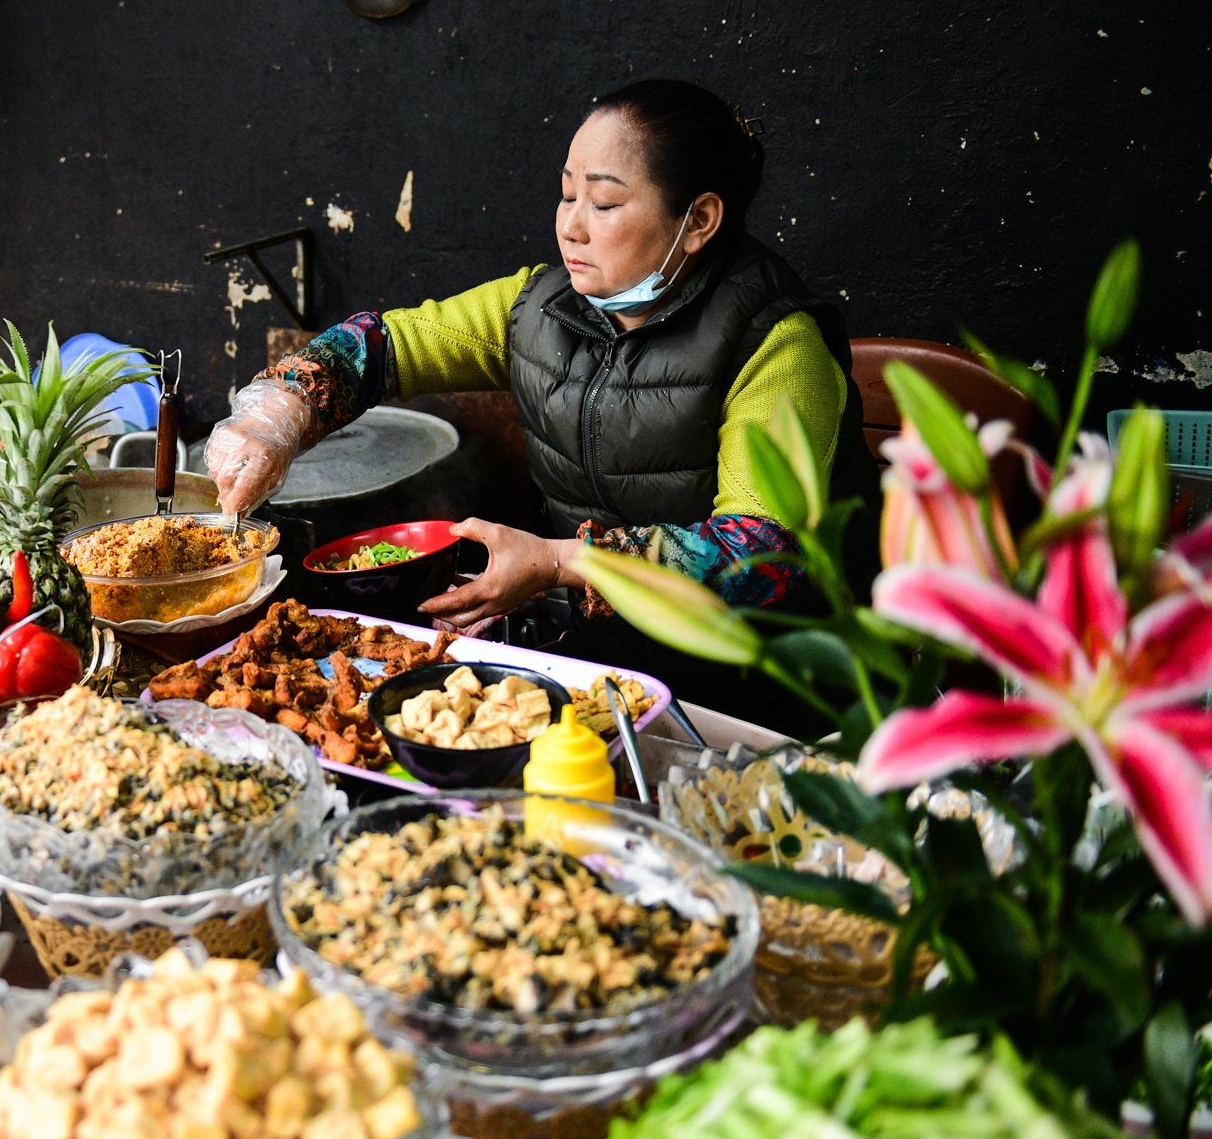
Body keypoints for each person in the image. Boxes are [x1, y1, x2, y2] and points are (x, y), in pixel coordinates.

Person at [207, 80, 881, 727]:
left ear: (699, 220)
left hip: (776, 692)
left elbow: (757, 555)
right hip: (609, 673)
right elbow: (388, 344)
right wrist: (281, 414)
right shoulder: (543, 308)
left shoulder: (778, 346)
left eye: (605, 204)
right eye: (566, 196)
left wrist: (559, 563)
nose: (572, 229)